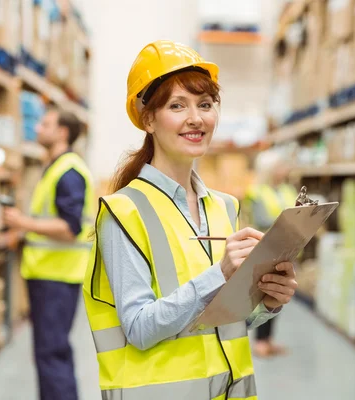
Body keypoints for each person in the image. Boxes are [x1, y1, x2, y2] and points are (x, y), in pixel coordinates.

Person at [82, 40, 299, 400]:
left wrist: (269, 302)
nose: (196, 118)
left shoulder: (224, 207)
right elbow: (138, 327)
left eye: (205, 104)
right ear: (148, 118)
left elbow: (226, 320)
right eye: (177, 106)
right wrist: (221, 274)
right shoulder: (123, 213)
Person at [2, 106, 95, 400]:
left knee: (52, 354)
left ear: (62, 133)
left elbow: (71, 228)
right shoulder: (56, 167)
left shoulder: (68, 173)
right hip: (48, 274)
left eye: (45, 124)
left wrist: (22, 223)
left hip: (57, 276)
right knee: (49, 352)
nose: (38, 128)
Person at [244, 152, 298, 358]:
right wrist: (292, 220)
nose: (285, 170)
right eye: (280, 166)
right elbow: (263, 219)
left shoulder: (286, 189)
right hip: (265, 250)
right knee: (264, 295)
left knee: (279, 296)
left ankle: (268, 339)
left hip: (285, 249)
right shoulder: (256, 192)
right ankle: (260, 341)